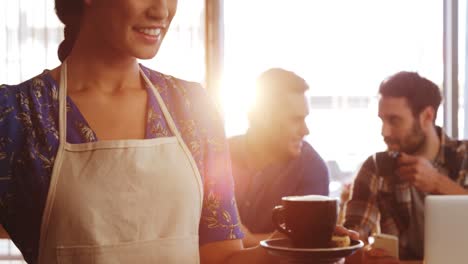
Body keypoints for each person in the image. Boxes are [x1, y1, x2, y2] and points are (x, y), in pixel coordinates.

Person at [0, 1, 357, 263]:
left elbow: (220, 256)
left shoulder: (193, 107)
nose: (162, 10)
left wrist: (287, 250)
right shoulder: (18, 116)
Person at [343, 71, 468, 262]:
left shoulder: (464, 157)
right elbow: (352, 240)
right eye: (382, 120)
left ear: (427, 116)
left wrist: (437, 183)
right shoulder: (376, 167)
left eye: (394, 120)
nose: (384, 132)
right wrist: (364, 254)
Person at [229, 68, 330, 247]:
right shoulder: (218, 155)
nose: (306, 130)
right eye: (295, 120)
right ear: (262, 117)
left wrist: (246, 239)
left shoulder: (312, 168)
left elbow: (304, 243)